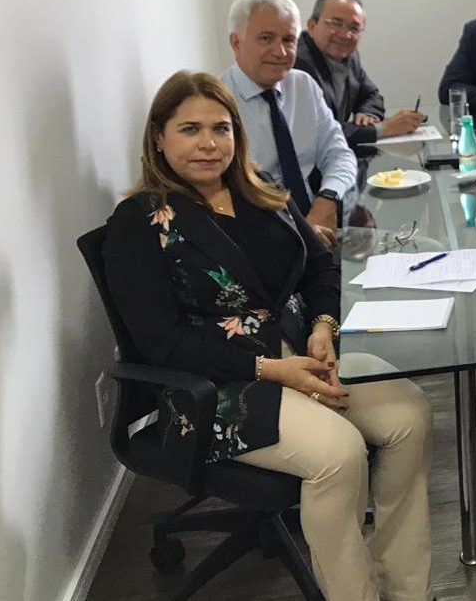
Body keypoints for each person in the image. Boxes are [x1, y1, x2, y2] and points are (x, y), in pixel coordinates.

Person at [102, 71, 432, 601]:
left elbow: (321, 267)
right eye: (190, 129)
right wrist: (273, 369)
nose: (209, 144)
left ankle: (404, 587)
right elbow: (160, 343)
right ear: (159, 138)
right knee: (340, 452)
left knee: (409, 416)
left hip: (301, 354)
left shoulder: (258, 190)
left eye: (221, 128)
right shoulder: (139, 222)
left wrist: (323, 328)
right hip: (215, 387)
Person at [221, 0, 357, 246]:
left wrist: (327, 198)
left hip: (316, 228)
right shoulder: (216, 102)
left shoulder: (303, 86)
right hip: (254, 240)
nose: (281, 52)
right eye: (266, 38)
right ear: (236, 42)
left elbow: (339, 154)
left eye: (288, 39)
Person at [294, 0, 425, 147]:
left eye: (354, 28)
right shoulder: (297, 64)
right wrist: (384, 128)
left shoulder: (349, 55)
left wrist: (368, 113)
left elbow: (371, 95)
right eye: (336, 23)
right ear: (312, 25)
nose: (345, 35)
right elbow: (316, 132)